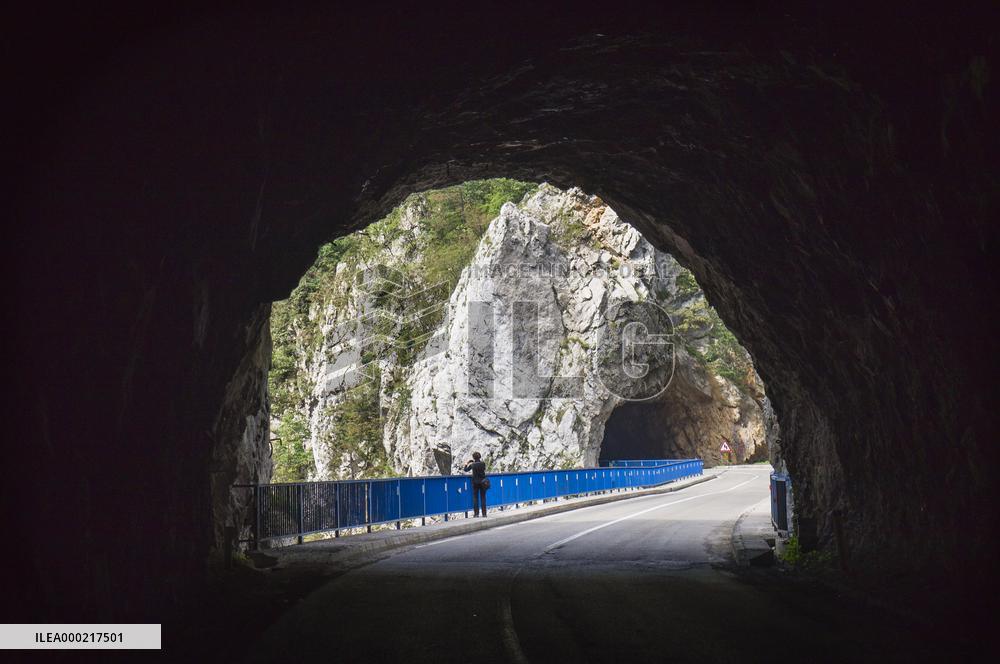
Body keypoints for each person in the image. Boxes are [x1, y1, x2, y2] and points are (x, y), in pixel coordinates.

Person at [463, 452, 488, 517]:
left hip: (475, 483)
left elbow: (465, 470)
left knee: (475, 498)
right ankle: (484, 514)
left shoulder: (473, 465)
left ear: (473, 457)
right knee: (483, 498)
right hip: (483, 482)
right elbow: (484, 469)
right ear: (480, 457)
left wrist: (466, 464)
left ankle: (476, 514)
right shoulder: (483, 463)